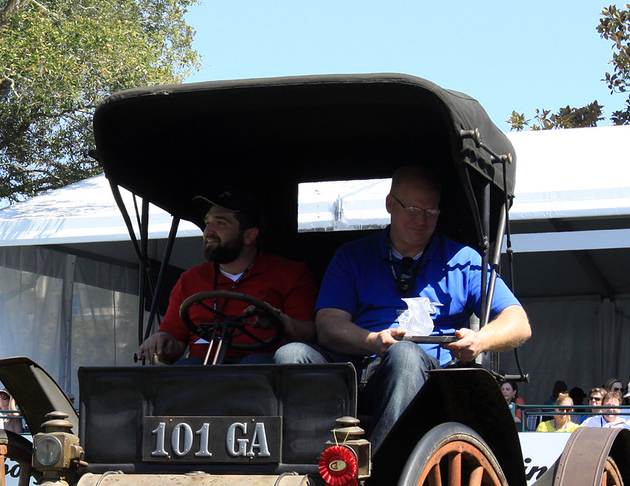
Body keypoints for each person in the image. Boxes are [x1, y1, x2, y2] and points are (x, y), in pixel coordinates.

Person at [272, 164, 530, 446]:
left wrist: (480, 340)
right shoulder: (353, 256)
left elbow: (518, 322)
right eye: (413, 210)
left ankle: (380, 476)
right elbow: (328, 325)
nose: (423, 220)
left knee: (405, 355)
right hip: (356, 369)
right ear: (390, 205)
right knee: (291, 354)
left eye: (431, 212)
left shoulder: (463, 260)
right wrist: (372, 341)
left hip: (430, 382)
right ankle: (310, 461)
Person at [136, 191, 317, 365]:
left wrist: (280, 320)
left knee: (255, 363)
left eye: (220, 223)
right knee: (185, 369)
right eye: (207, 222)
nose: (208, 230)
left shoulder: (290, 274)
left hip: (263, 380)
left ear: (249, 235)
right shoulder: (190, 279)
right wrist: (161, 341)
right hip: (202, 377)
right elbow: (174, 347)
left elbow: (308, 337)